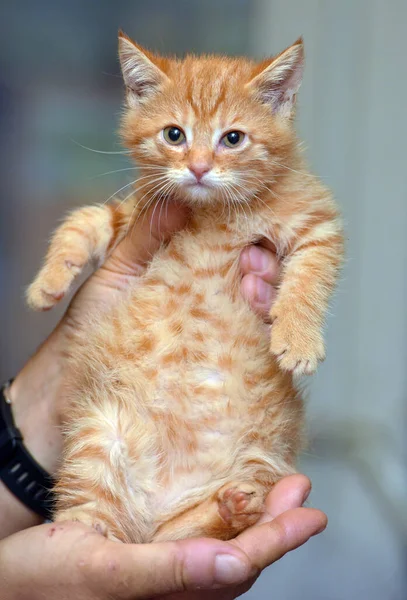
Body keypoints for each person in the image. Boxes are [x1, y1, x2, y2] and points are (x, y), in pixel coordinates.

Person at [0, 202, 327, 599]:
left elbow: (319, 236)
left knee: (252, 439)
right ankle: (113, 522)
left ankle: (208, 517)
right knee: (107, 430)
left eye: (232, 138)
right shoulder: (161, 201)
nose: (200, 163)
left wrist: (299, 314)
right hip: (139, 409)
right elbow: (100, 222)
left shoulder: (273, 196)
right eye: (174, 135)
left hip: (215, 425)